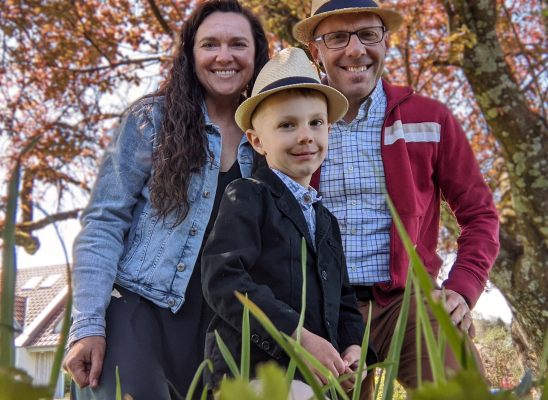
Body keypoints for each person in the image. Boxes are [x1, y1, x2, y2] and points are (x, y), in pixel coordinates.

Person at [293, 0, 500, 398]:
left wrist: (464, 284)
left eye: (368, 34)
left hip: (410, 303)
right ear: (316, 50)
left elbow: (479, 214)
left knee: (463, 392)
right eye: (337, 37)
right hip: (320, 309)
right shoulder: (293, 122)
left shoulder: (430, 118)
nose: (356, 50)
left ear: (386, 41)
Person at [61, 1, 269, 399]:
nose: (224, 56)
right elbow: (104, 223)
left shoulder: (272, 135)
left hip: (224, 328)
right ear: (190, 54)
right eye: (210, 44)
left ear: (257, 54)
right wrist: (87, 325)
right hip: (138, 310)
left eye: (238, 44)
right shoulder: (151, 120)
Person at [201, 47, 377, 394]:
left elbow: (344, 301)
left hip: (316, 383)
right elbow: (223, 278)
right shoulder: (247, 195)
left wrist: (354, 347)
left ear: (328, 130)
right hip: (253, 375)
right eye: (287, 125)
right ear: (257, 141)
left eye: (316, 123)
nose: (305, 135)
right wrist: (296, 337)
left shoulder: (326, 221)